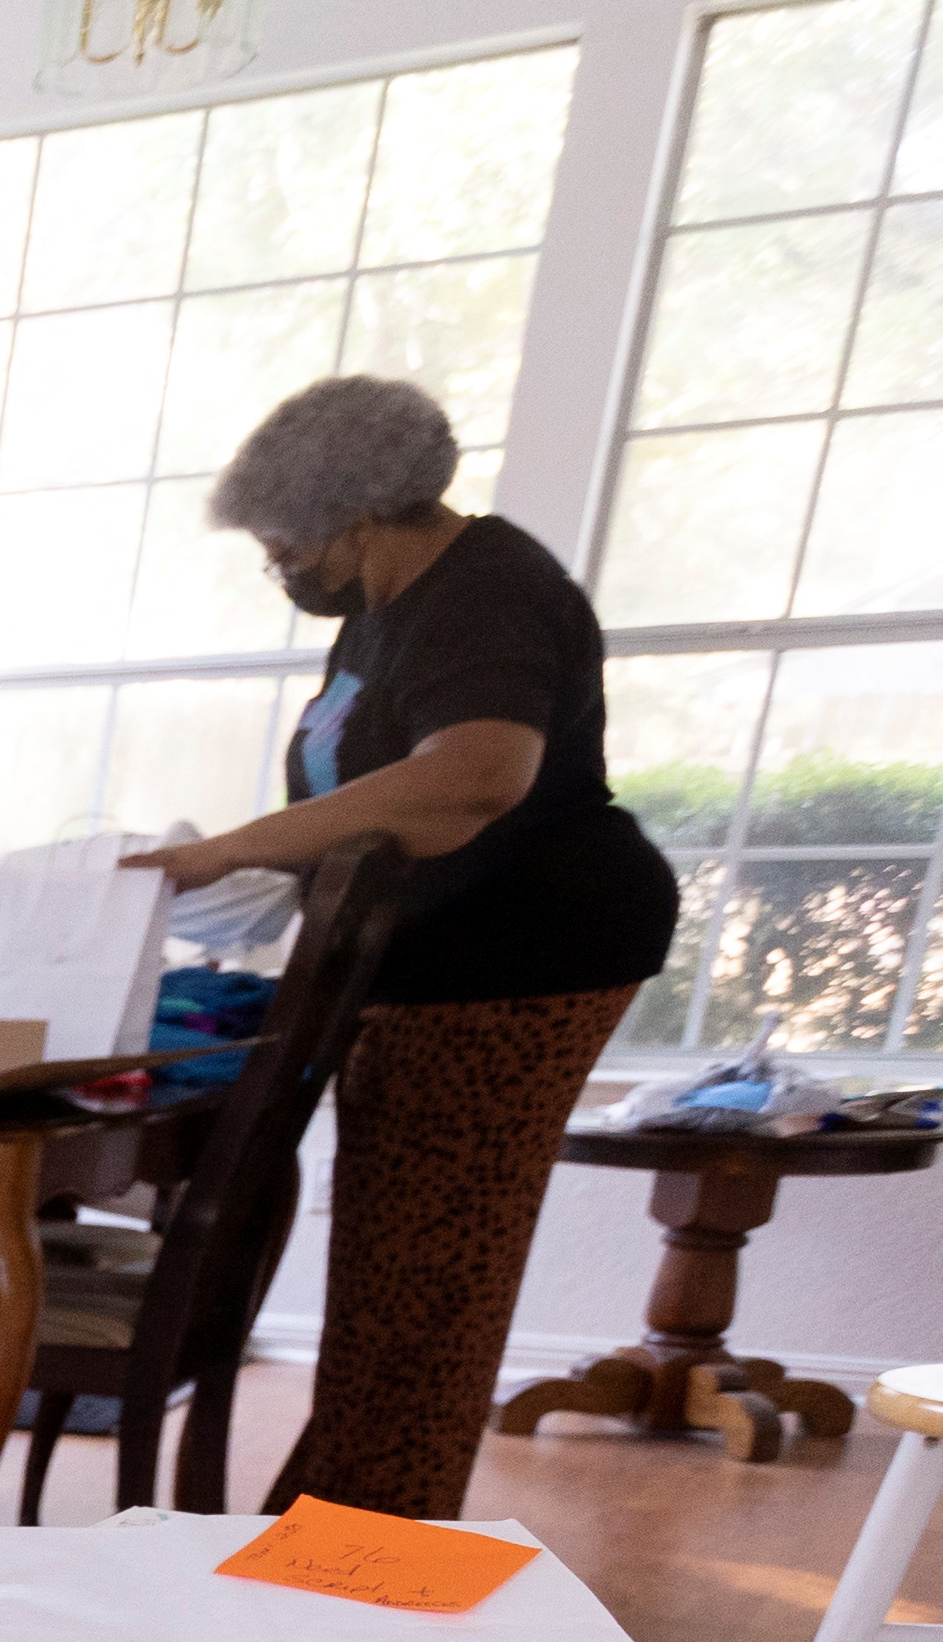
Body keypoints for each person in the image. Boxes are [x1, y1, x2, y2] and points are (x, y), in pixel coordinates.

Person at [138, 376, 683, 1523]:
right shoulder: (384, 612)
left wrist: (241, 843)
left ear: (358, 514)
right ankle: (334, 1516)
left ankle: (366, 1553)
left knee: (432, 1279)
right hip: (424, 968)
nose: (276, 561)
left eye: (283, 537)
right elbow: (370, 802)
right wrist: (249, 868)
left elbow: (477, 776)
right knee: (390, 1272)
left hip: (519, 962)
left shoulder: (484, 591)